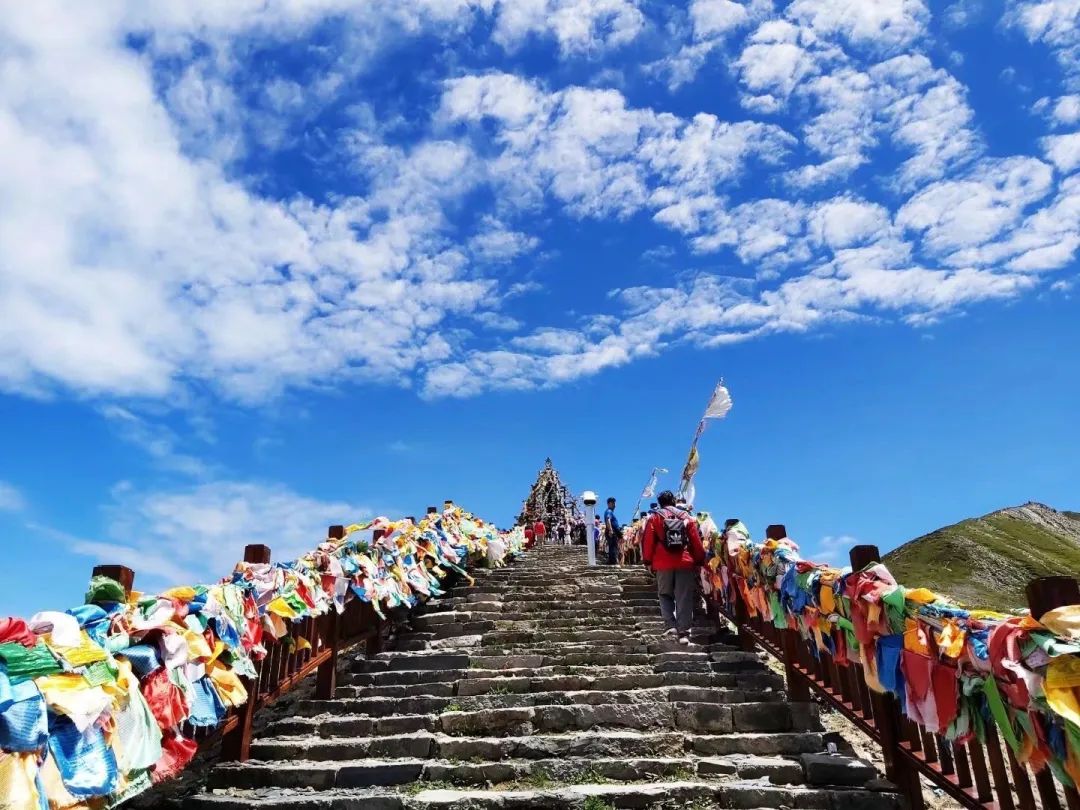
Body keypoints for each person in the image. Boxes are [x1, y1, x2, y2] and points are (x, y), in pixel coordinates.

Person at [643, 490, 706, 645]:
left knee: (665, 594)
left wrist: (647, 561)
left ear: (660, 503)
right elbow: (695, 541)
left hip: (662, 562)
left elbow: (648, 541)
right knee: (683, 596)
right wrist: (699, 560)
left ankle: (670, 625)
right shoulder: (687, 518)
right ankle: (684, 631)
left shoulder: (654, 518)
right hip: (684, 561)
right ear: (674, 501)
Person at [603, 497, 621, 565]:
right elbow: (608, 519)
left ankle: (611, 561)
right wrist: (610, 530)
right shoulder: (609, 511)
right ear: (609, 504)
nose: (614, 505)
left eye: (614, 503)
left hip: (612, 531)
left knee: (612, 546)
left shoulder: (609, 511)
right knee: (613, 546)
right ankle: (613, 562)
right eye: (613, 503)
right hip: (611, 531)